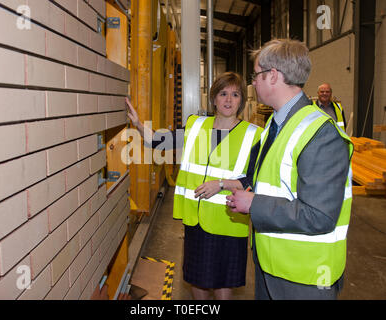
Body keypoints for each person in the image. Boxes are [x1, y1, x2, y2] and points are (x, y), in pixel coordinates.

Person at [226, 39, 353, 300]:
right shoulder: (277, 122)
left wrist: (254, 204)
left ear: (272, 76)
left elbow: (319, 215)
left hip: (305, 278)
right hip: (272, 267)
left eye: (256, 75)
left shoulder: (320, 133)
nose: (253, 83)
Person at [126, 72, 262, 300]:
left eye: (235, 94)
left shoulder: (254, 135)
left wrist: (221, 184)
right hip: (196, 219)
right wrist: (138, 124)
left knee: (223, 280)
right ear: (214, 99)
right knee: (197, 277)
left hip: (229, 219)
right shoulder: (196, 125)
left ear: (242, 100)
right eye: (223, 93)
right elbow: (160, 141)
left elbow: (254, 179)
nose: (229, 100)